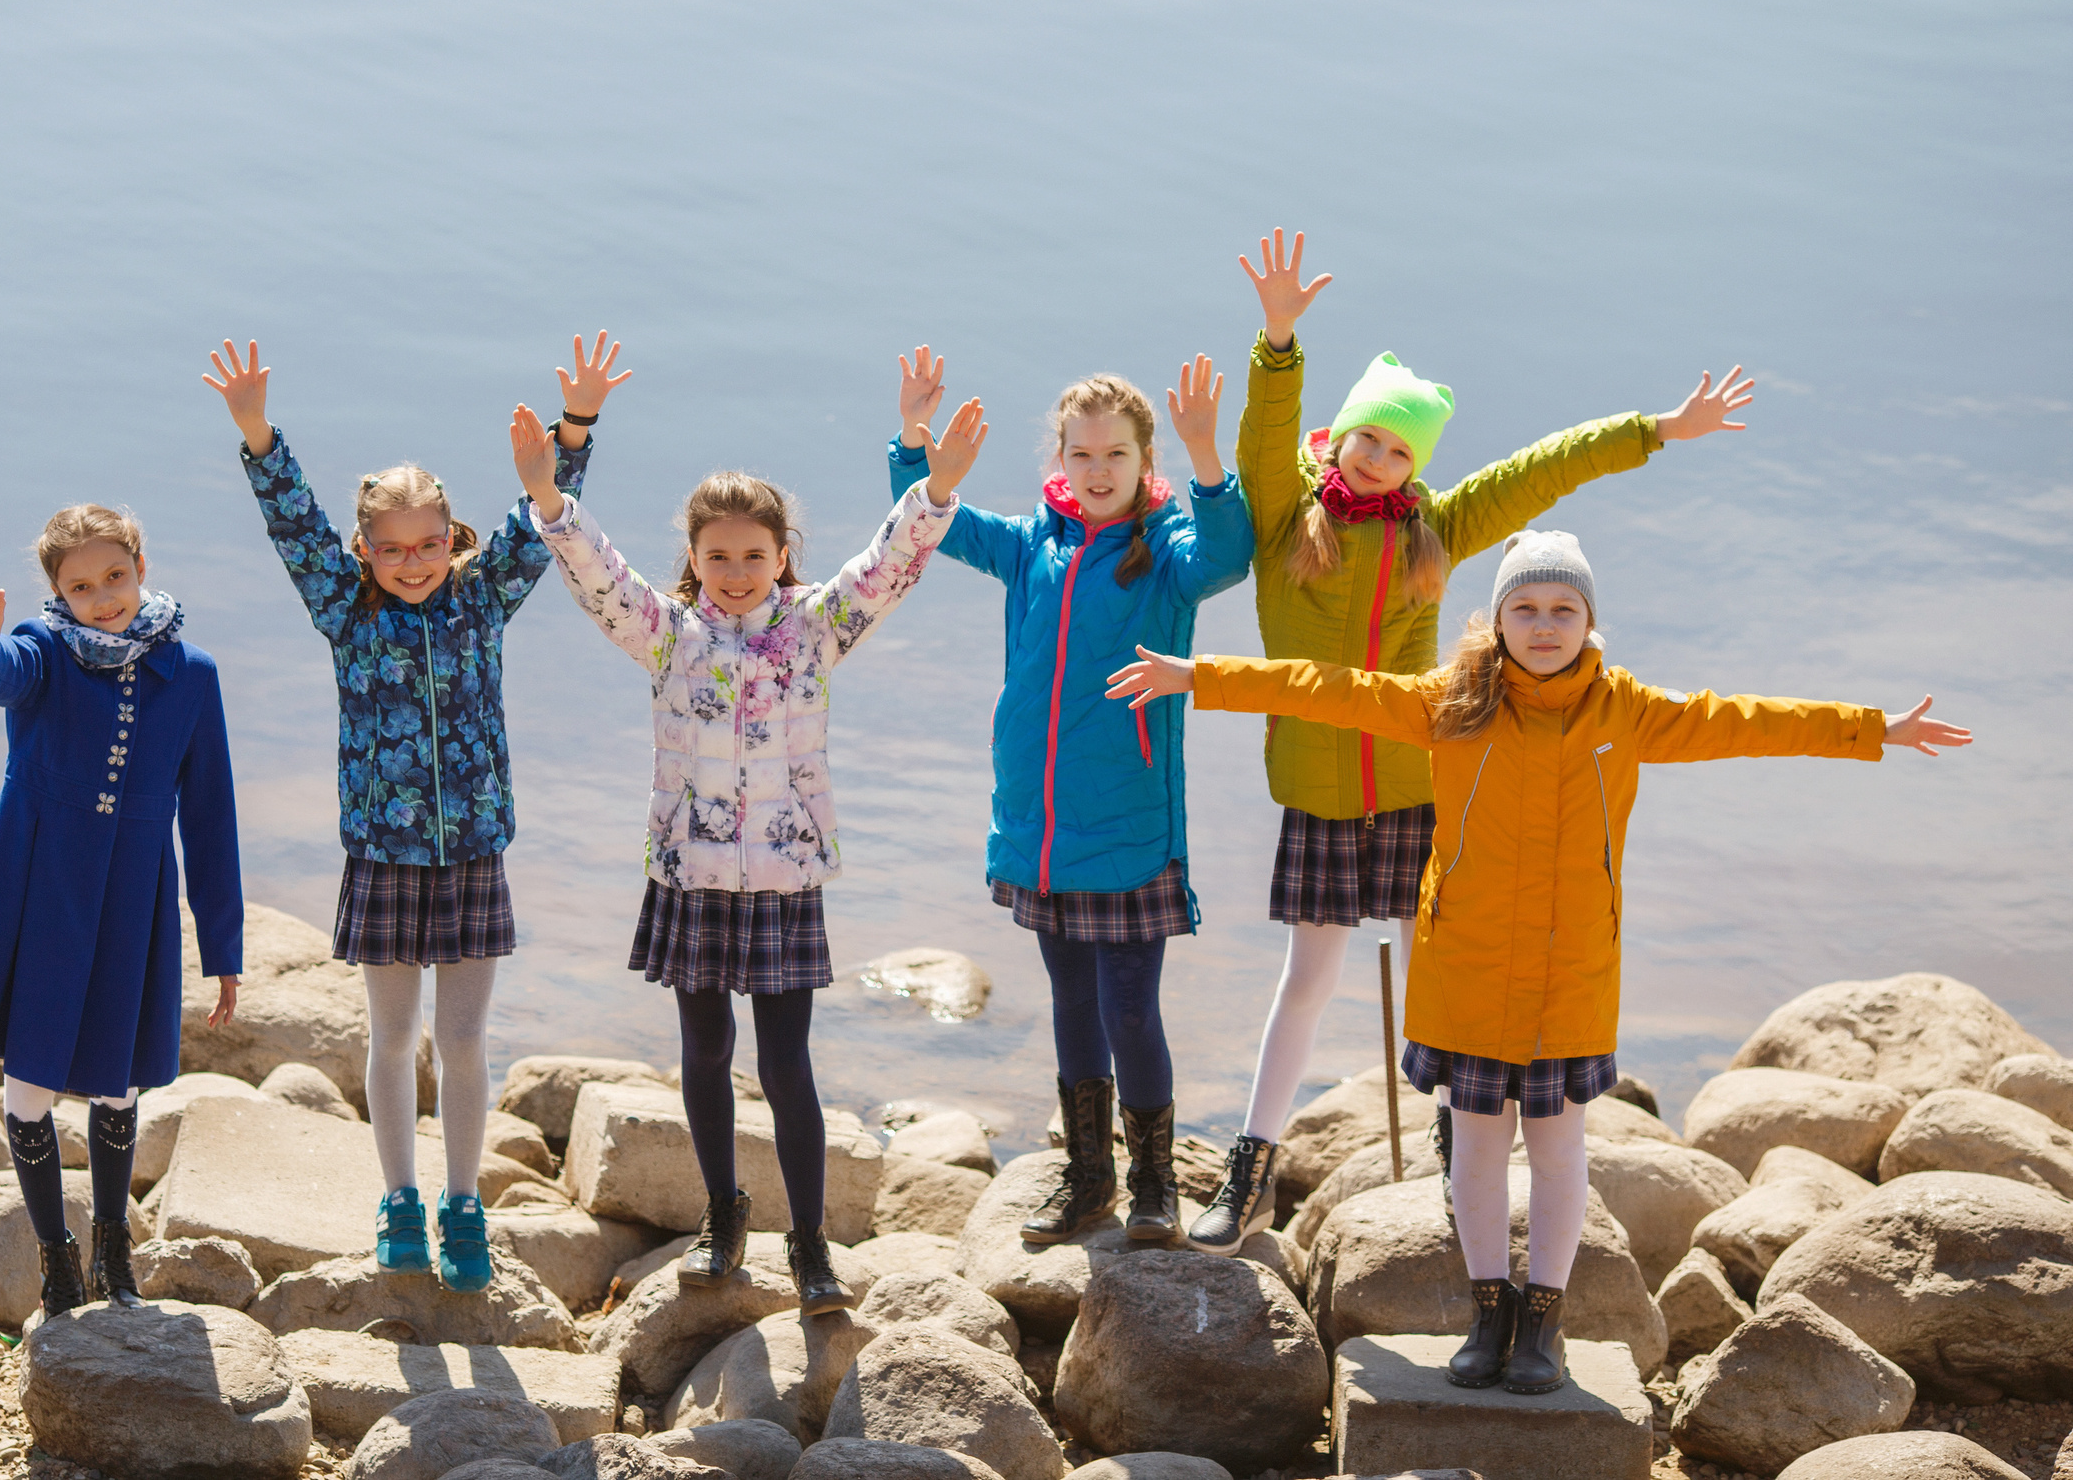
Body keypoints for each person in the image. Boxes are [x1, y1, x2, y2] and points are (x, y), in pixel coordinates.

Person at [1108, 528, 1970, 1391]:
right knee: (1478, 1149)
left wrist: (1874, 728)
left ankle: (1544, 1323)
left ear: (1589, 620)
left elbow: (1744, 719)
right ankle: (1490, 1309)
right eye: (1526, 606)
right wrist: (1203, 675)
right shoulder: (1456, 700)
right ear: (1499, 618)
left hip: (1572, 977)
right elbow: (1333, 690)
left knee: (1559, 1150)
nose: (1544, 623)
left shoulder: (1624, 708)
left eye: (1563, 608)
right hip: (1468, 972)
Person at [1195, 227, 1758, 1258]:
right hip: (1316, 789)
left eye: (1400, 448)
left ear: (1418, 465)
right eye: (1368, 438)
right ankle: (1251, 1165)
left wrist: (1656, 429)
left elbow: (1542, 474)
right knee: (1307, 981)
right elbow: (1262, 439)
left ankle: (1463, 1142)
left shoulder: (1435, 531)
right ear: (1342, 434)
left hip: (1421, 786)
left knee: (1433, 983)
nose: (1378, 458)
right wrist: (1277, 340)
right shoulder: (1286, 518)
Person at [524, 395, 989, 1314]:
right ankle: (723, 1214)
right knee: (703, 1050)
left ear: (784, 558)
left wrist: (935, 490)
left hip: (781, 878)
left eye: (754, 555)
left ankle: (811, 1243)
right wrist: (551, 505)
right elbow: (599, 576)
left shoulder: (813, 630)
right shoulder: (665, 635)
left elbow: (885, 570)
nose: (736, 572)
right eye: (717, 556)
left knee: (787, 1066)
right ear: (692, 562)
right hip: (692, 873)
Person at [205, 332, 626, 1293]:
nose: (413, 562)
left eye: (430, 543)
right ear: (364, 553)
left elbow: (544, 520)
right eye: (391, 549)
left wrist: (574, 429)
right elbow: (294, 524)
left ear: (455, 537)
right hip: (385, 856)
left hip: (474, 849)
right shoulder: (347, 610)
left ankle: (464, 1200)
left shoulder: (482, 601)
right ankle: (398, 1195)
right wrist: (257, 431)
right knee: (392, 1036)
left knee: (468, 1039)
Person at [888, 350, 1253, 1244]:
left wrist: (1209, 458)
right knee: (1070, 1004)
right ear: (1060, 458)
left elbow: (1229, 556)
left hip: (1127, 826)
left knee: (1132, 1005)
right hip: (1040, 830)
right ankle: (1089, 1179)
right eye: (1082, 455)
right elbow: (926, 527)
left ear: (1143, 462)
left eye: (1116, 455)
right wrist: (915, 443)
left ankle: (1155, 1186)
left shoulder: (1164, 551)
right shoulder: (1027, 544)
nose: (1098, 472)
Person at [0, 509, 243, 1320]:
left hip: (133, 892)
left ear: (141, 564)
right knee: (30, 1079)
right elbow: (6, 673)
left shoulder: (192, 673)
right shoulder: (44, 651)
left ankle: (113, 1254)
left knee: (118, 1084)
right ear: (57, 592)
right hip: (38, 881)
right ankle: (55, 1258)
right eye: (80, 587)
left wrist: (223, 948)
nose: (102, 599)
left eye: (114, 577)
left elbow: (210, 815)